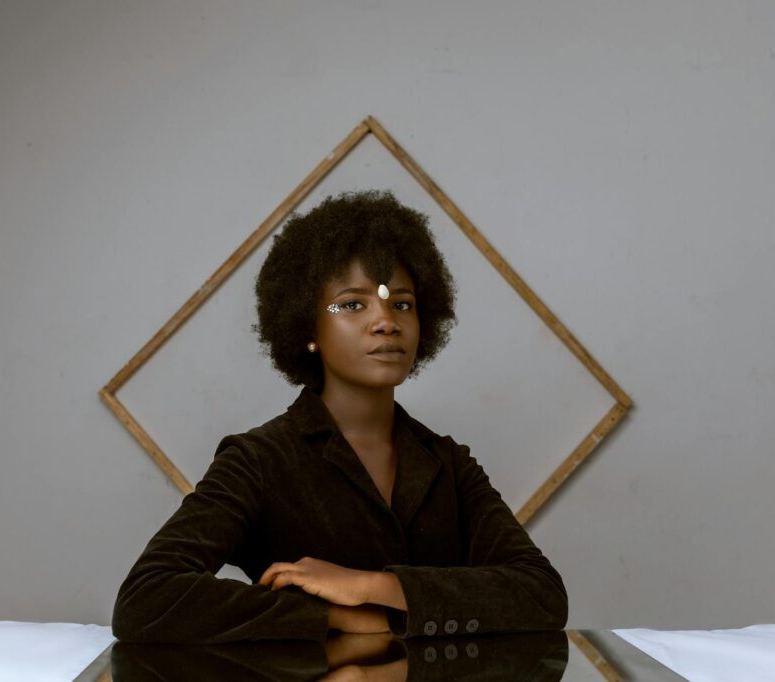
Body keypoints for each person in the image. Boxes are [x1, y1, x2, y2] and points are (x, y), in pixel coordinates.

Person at [112, 191, 568, 644]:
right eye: (352, 304)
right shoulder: (258, 460)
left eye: (402, 303)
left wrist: (373, 588)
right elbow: (146, 599)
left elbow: (541, 595)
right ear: (309, 327)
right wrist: (328, 615)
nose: (386, 321)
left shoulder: (448, 463)